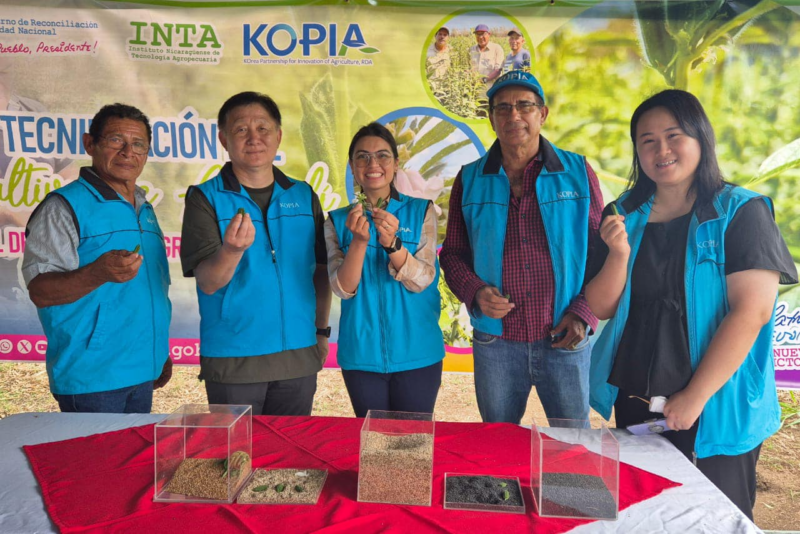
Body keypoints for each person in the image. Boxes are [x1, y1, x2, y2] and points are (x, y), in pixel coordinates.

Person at [586, 89, 797, 520]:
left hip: (716, 400)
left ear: (701, 138)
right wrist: (619, 255)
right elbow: (601, 306)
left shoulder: (741, 211)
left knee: (713, 516)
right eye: (647, 140)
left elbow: (752, 311)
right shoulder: (623, 213)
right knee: (644, 512)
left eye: (673, 136)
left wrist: (695, 396)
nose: (661, 150)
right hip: (639, 396)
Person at [440, 70, 603, 424]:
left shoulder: (577, 172)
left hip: (565, 334)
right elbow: (452, 255)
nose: (514, 115)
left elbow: (600, 254)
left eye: (524, 106)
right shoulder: (470, 178)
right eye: (503, 108)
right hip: (496, 343)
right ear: (491, 118)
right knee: (498, 442)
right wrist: (475, 291)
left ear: (542, 114)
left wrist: (583, 313)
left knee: (573, 443)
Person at [180, 92, 331, 416]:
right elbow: (208, 281)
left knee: (291, 450)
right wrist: (232, 250)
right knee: (236, 449)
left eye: (263, 128)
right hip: (234, 359)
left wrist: (321, 332)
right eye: (241, 130)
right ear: (224, 139)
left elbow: (321, 271)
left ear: (278, 135)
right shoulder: (205, 198)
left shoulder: (303, 195)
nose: (254, 139)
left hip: (298, 358)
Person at [22, 103, 172, 413]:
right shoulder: (63, 207)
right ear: (90, 144)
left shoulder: (144, 207)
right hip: (93, 377)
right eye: (116, 140)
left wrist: (157, 352)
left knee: (135, 448)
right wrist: (97, 273)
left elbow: (147, 292)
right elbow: (41, 291)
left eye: (138, 144)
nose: (128, 152)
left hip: (142, 368)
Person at [325, 123, 444, 417]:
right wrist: (359, 241)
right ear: (352, 166)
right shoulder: (337, 221)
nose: (373, 164)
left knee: (414, 440)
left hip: (418, 352)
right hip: (361, 355)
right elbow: (342, 289)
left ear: (396, 164)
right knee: (373, 440)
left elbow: (423, 280)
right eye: (362, 157)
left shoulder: (422, 210)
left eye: (382, 156)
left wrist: (393, 245)